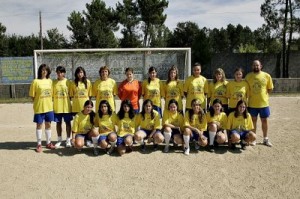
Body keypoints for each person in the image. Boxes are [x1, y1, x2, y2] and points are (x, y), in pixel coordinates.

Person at [245, 60, 274, 147]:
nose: (256, 67)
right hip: (252, 104)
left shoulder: (266, 75)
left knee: (264, 121)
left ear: (261, 66)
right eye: (254, 65)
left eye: (257, 65)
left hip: (263, 104)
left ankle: (265, 139)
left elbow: (270, 88)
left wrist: (264, 96)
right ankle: (253, 139)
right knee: (253, 121)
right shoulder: (248, 76)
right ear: (252, 66)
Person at [29, 64, 55, 152]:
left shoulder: (50, 81)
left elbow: (52, 94)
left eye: (46, 70)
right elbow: (32, 96)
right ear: (40, 71)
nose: (44, 71)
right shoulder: (35, 81)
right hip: (39, 107)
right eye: (42, 70)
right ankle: (39, 144)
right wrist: (38, 102)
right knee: (39, 125)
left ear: (48, 71)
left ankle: (48, 142)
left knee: (48, 124)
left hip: (49, 107)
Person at [52, 66, 73, 148]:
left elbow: (71, 95)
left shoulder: (68, 82)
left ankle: (68, 140)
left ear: (64, 73)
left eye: (61, 72)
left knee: (68, 123)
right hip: (57, 106)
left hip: (66, 106)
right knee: (58, 123)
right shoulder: (53, 82)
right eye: (58, 72)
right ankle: (59, 140)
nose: (59, 74)